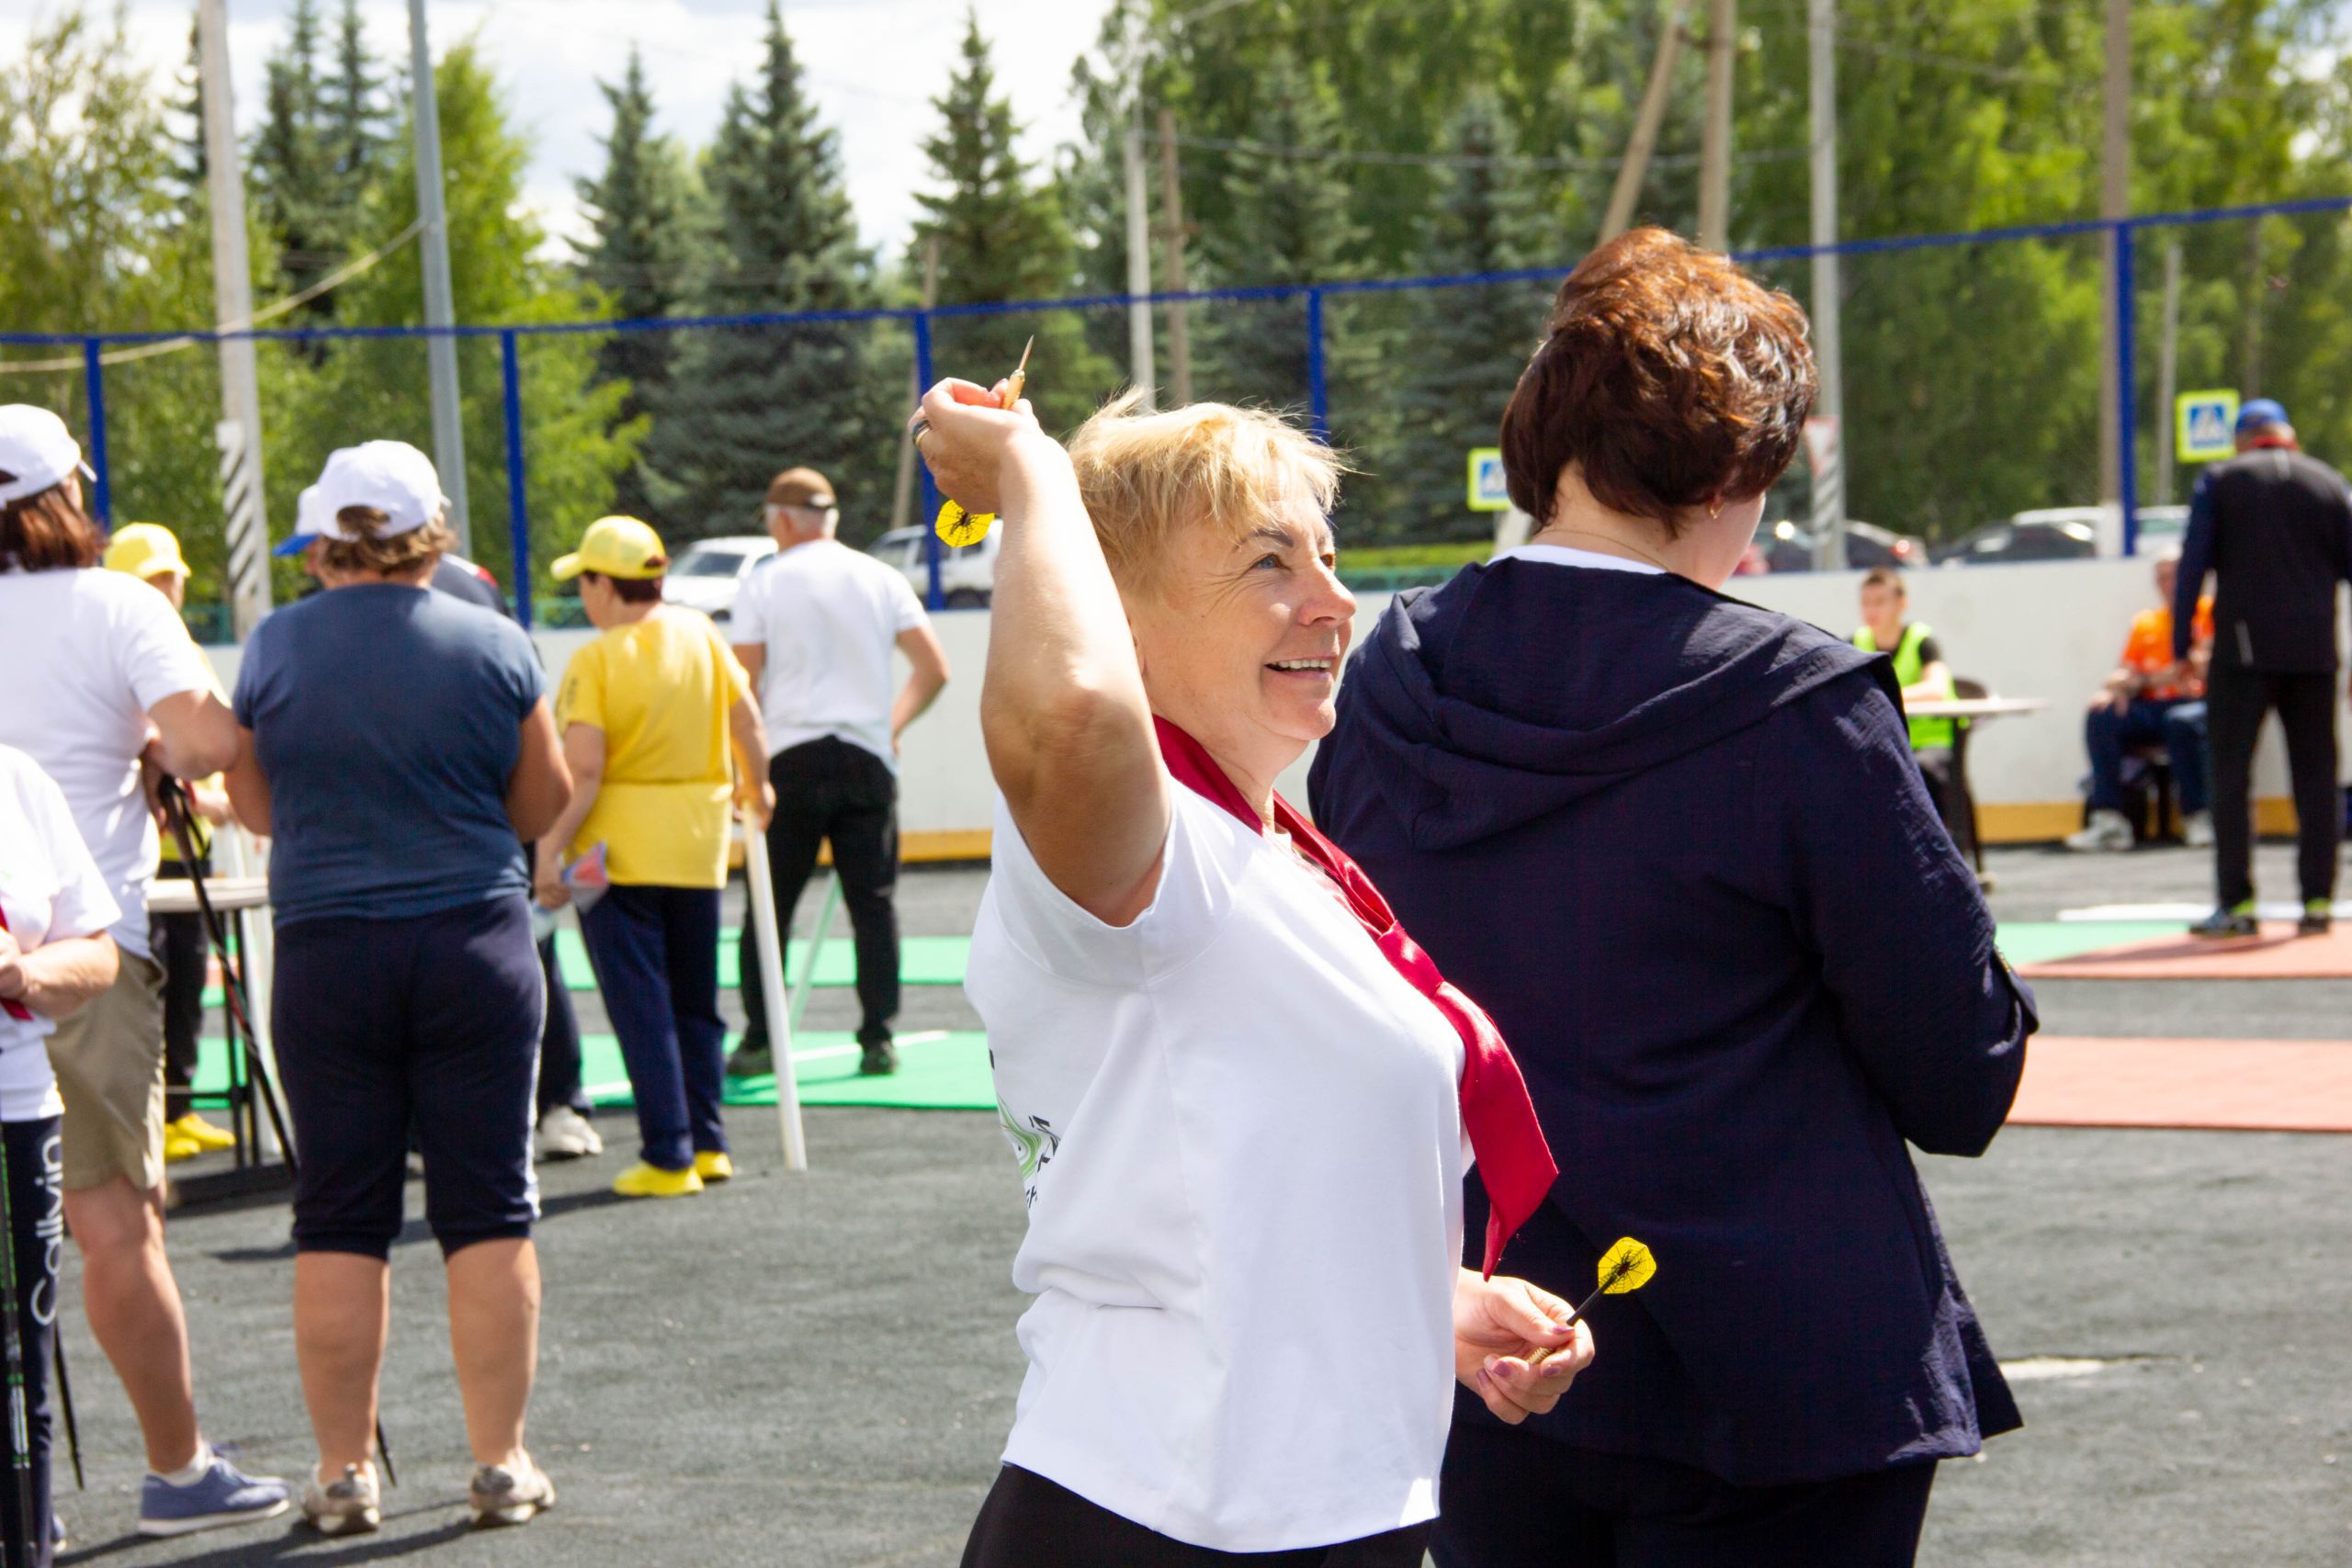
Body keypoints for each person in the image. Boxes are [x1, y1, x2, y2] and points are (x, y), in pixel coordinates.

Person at [1311, 229, 2035, 1568]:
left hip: (1497, 1341)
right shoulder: (1800, 701)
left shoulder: (1393, 675)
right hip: (1782, 1369)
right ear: (1729, 462)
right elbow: (1962, 1074)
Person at [916, 379, 1592, 1567]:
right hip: (1162, 1512)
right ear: (1120, 617)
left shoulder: (1272, 858)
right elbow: (1071, 714)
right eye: (1268, 563)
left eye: (1328, 556)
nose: (1333, 600)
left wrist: (1422, 1305)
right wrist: (1031, 480)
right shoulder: (1140, 851)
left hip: (1322, 1505)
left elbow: (1235, 1173)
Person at [224, 439, 571, 1535]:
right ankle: (500, 1463)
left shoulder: (275, 642)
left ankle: (340, 1475)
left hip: (329, 947)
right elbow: (541, 800)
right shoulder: (493, 639)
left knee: (338, 1217)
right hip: (474, 941)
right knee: (488, 1208)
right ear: (431, 534)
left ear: (328, 540)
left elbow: (257, 809)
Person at [0, 404, 291, 1538]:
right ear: (68, 496)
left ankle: (22, 1495)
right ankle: (176, 1469)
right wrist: (151, 746)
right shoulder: (117, 603)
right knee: (114, 1221)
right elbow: (207, 745)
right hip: (76, 950)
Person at [535, 516, 772, 1200]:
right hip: (696, 845)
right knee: (698, 1002)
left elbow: (584, 775)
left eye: (584, 579)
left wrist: (550, 848)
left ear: (605, 585)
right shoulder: (700, 632)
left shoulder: (597, 659)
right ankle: (707, 1143)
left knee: (643, 1007)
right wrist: (759, 789)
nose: (582, 593)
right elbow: (747, 719)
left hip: (619, 855)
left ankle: (667, 1153)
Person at [725, 468, 951, 1079]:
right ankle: (878, 1035)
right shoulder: (880, 576)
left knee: (769, 909)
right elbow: (933, 668)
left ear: (781, 519)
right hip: (864, 756)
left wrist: (744, 767)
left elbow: (743, 684)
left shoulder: (765, 581)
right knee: (873, 906)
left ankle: (761, 1038)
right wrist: (891, 724)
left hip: (791, 757)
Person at [0, 742, 125, 1564]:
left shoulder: (17, 778)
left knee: (21, 1366)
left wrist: (22, 973)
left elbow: (99, 953)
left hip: (17, 1107)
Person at [2174, 398, 2352, 938]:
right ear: (2288, 436)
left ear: (2241, 438)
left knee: (2229, 776)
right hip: (2315, 653)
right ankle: (2318, 901)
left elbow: (2191, 566)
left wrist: (2181, 645)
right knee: (2317, 777)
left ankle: (2239, 905)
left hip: (2242, 652)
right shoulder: (2327, 482)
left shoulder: (2222, 480)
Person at [99, 525, 239, 1162]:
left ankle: (179, 1106)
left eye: (172, 575)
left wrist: (212, 798)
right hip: (141, 847)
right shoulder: (120, 643)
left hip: (192, 844)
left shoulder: (185, 649)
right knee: (143, 981)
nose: (169, 587)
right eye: (152, 577)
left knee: (187, 978)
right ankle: (150, 1113)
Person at [2065, 547, 2214, 852]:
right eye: (2162, 578)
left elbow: (2205, 666)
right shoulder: (2146, 623)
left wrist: (2150, 678)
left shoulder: (2209, 614)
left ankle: (2197, 816)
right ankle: (2109, 820)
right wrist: (2116, 689)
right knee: (2102, 715)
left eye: (2174, 576)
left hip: (2198, 705)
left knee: (2181, 722)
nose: (2169, 584)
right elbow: (2123, 674)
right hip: (2153, 706)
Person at [1853, 566, 1975, 860]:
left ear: (1901, 604)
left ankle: (1936, 857)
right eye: (1866, 602)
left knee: (1915, 773)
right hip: (1885, 741)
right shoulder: (1856, 643)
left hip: (1931, 742)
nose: (1872, 610)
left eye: (1880, 601)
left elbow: (1935, 687)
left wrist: (1886, 698)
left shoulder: (1922, 641)